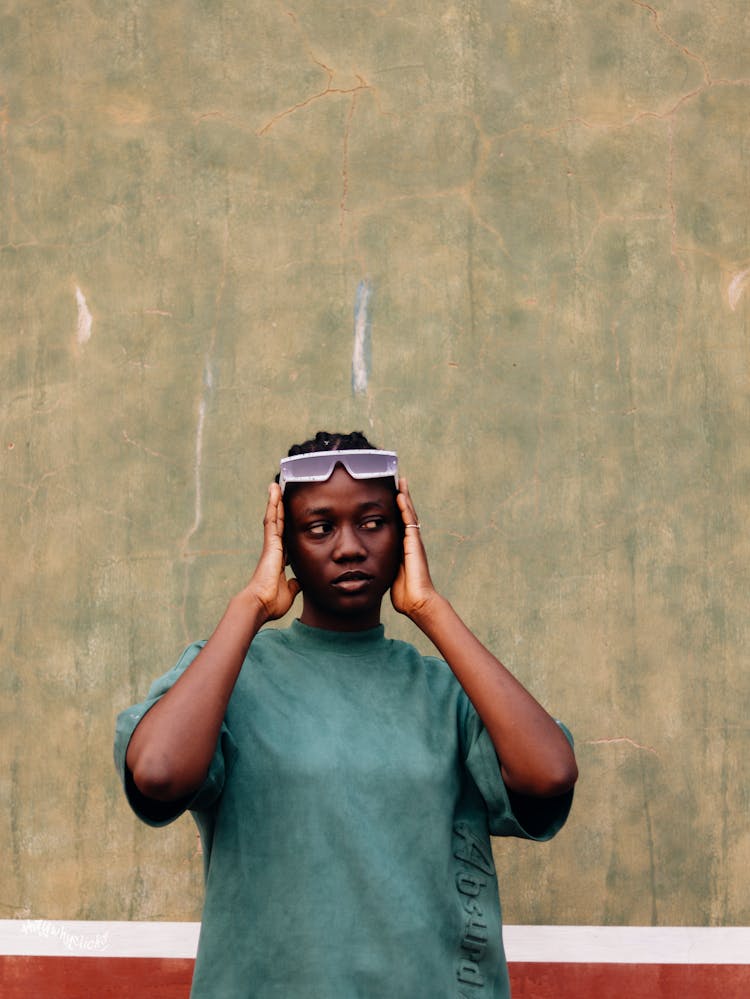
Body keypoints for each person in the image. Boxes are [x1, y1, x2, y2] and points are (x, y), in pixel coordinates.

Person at [114, 430, 577, 999]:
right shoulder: (227, 679)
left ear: (404, 533)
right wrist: (251, 605)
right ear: (284, 544)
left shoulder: (449, 694)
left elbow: (550, 772)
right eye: (319, 528)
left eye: (373, 522)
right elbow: (159, 772)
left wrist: (430, 607)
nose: (350, 546)